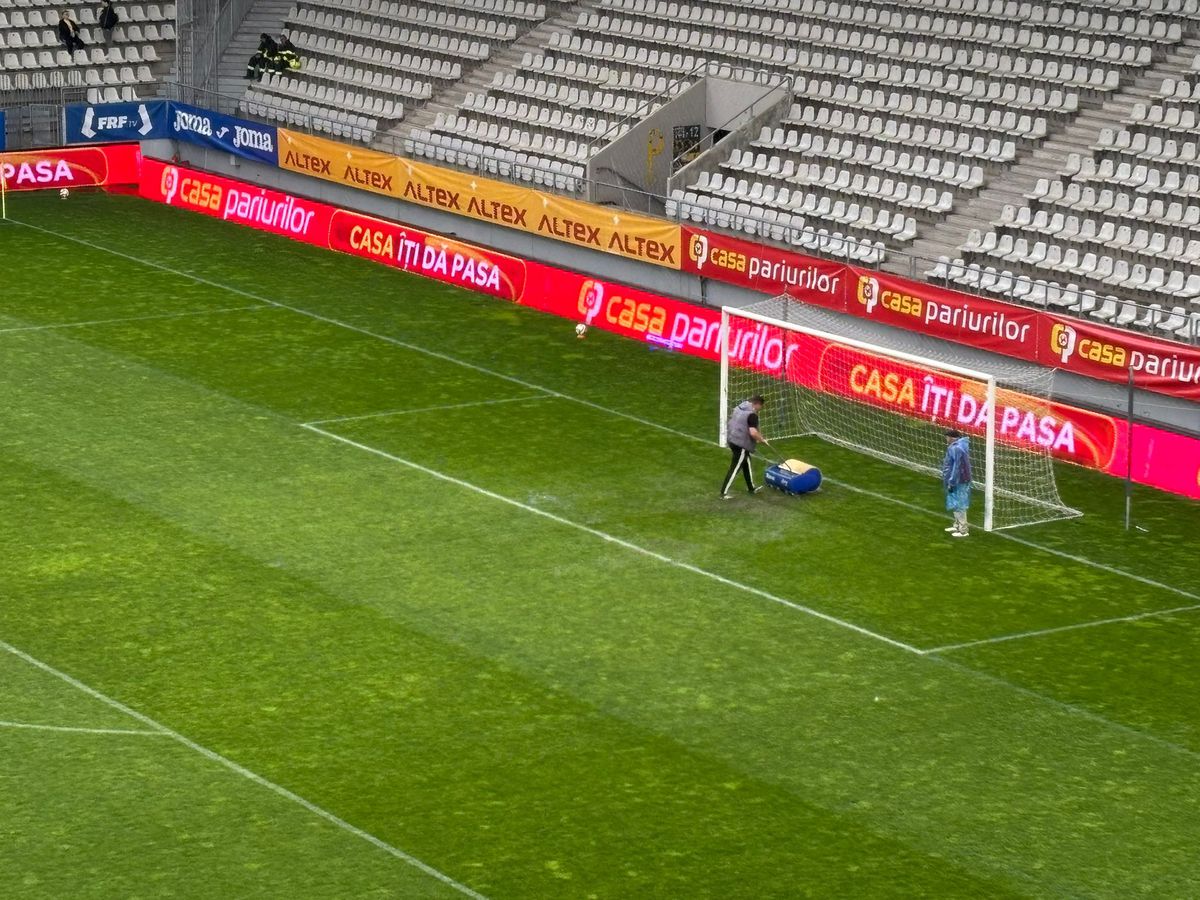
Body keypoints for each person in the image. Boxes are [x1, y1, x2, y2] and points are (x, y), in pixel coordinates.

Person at [721, 395, 769, 499]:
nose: (760, 409)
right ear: (757, 404)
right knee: (735, 468)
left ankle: (751, 488)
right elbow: (753, 432)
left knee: (746, 462)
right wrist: (762, 439)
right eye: (761, 406)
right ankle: (723, 493)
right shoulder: (752, 415)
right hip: (740, 444)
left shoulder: (740, 407)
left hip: (732, 439)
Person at [942, 428, 972, 537]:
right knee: (955, 502)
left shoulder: (957, 449)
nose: (946, 439)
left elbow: (957, 467)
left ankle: (963, 530)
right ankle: (957, 525)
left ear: (951, 438)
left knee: (960, 503)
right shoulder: (957, 447)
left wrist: (952, 481)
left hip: (959, 480)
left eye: (947, 437)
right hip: (957, 479)